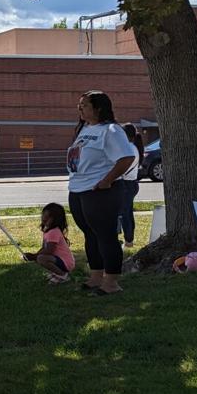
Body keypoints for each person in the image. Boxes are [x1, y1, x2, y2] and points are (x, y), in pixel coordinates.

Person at [67, 91, 137, 295]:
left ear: (98, 108)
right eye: (79, 105)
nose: (80, 108)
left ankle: (111, 282)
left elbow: (126, 158)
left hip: (99, 192)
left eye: (85, 105)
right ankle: (96, 276)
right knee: (90, 234)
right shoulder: (85, 129)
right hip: (79, 190)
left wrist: (107, 180)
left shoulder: (112, 130)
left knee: (106, 236)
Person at [24, 203, 76, 284]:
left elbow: (49, 250)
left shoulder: (54, 232)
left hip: (66, 262)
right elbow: (43, 248)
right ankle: (56, 272)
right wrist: (35, 255)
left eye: (48, 217)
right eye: (43, 215)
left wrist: (34, 256)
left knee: (41, 258)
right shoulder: (47, 230)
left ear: (56, 219)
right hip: (60, 260)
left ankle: (62, 275)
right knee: (40, 257)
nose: (44, 218)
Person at [119, 123, 143, 246]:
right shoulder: (134, 147)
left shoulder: (128, 148)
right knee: (127, 212)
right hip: (131, 184)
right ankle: (129, 239)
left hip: (126, 184)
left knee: (124, 214)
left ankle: (128, 240)